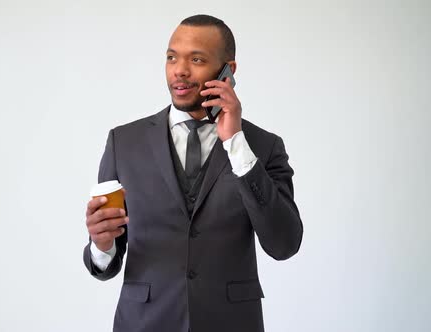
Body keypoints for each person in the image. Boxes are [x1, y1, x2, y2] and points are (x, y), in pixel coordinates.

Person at [82, 14, 303, 332]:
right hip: (145, 323)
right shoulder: (124, 142)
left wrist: (236, 145)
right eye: (172, 57)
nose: (179, 70)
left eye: (196, 59)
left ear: (228, 70)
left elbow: (284, 243)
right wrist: (101, 245)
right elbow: (105, 261)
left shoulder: (263, 147)